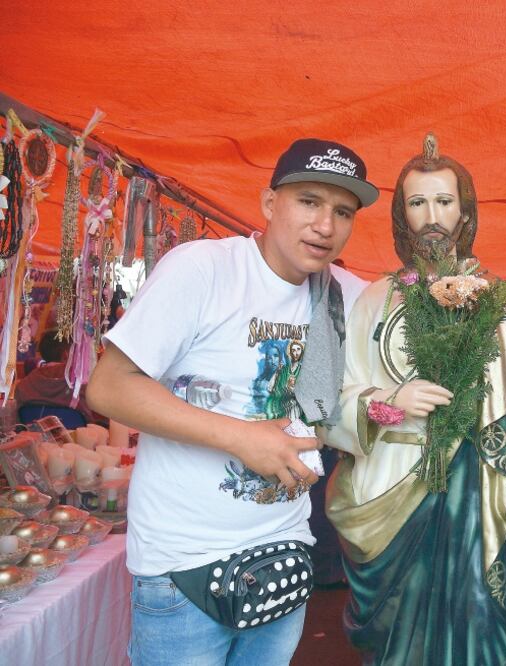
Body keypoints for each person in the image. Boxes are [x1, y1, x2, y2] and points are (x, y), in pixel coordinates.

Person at [87, 137, 377, 666]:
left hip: (283, 553)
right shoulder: (205, 269)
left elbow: (419, 311)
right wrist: (242, 438)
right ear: (270, 204)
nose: (325, 225)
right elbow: (108, 385)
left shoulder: (346, 295)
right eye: (309, 201)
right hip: (185, 570)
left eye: (342, 211)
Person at [319, 134, 506, 665]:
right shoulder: (372, 301)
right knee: (395, 638)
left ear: (465, 211)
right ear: (401, 215)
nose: (432, 215)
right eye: (417, 202)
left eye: (444, 201)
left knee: (479, 620)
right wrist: (389, 404)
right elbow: (328, 404)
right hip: (391, 490)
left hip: (483, 500)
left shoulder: (505, 305)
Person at [14, 329, 104, 424]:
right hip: (74, 437)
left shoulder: (25, 384)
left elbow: (17, 419)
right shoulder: (80, 386)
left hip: (32, 436)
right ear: (66, 354)